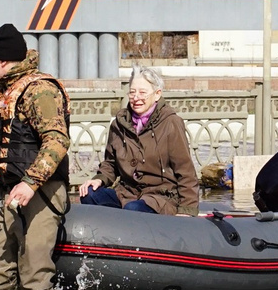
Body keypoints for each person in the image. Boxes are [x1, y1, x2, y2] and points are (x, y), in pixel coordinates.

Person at [0, 23, 71, 290]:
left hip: (40, 191)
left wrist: (30, 183)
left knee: (34, 277)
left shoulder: (40, 90)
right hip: (7, 193)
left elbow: (57, 140)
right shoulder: (0, 88)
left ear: (2, 60)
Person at [80, 67, 200, 215]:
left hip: (160, 197)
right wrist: (99, 179)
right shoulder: (119, 124)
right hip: (127, 194)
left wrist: (187, 210)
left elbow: (186, 171)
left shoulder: (171, 123)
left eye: (142, 92)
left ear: (157, 95)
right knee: (90, 194)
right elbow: (110, 165)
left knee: (134, 210)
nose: (136, 98)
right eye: (132, 92)